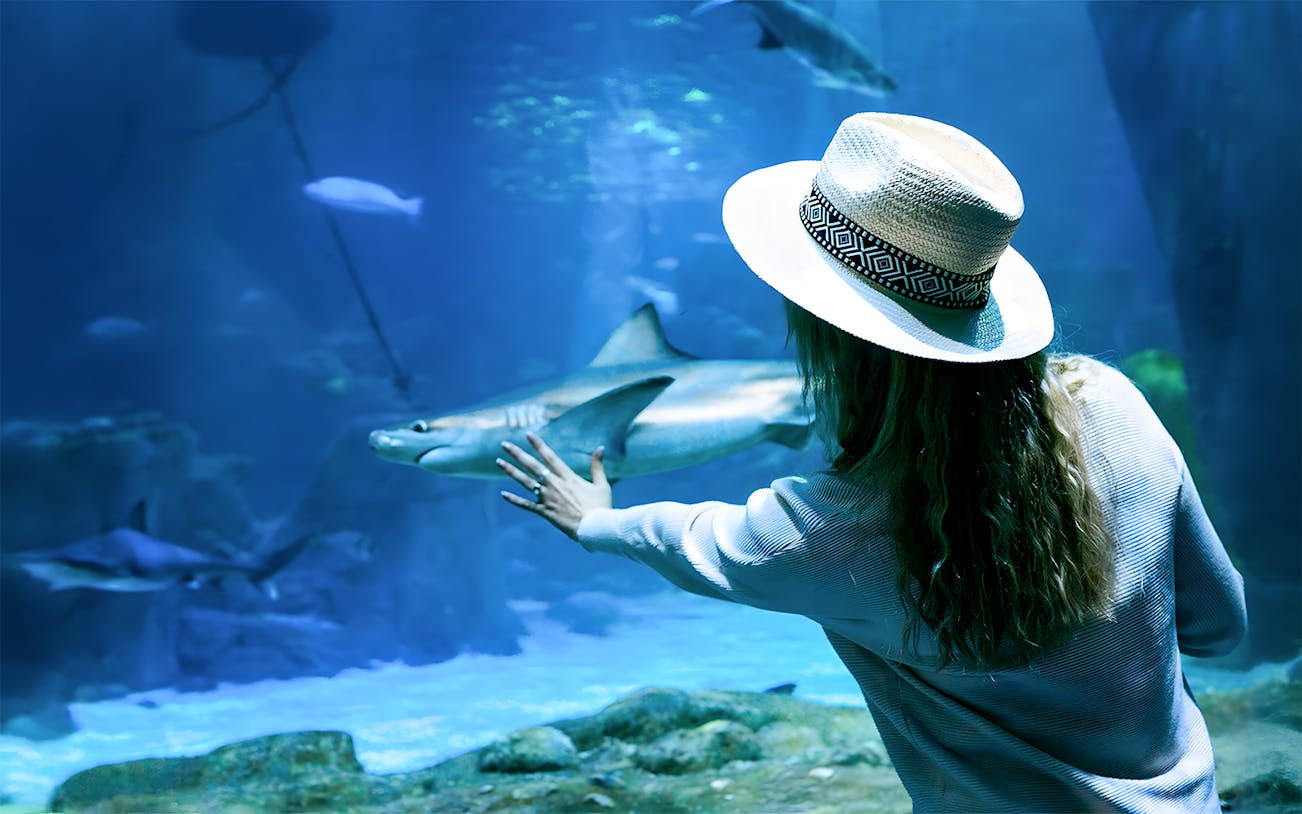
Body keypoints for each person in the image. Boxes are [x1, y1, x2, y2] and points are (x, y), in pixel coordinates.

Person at [498, 112, 1247, 813]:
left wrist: (597, 521)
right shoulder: (1115, 405)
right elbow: (1220, 624)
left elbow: (691, 537)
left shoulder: (827, 530)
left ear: (826, 330)